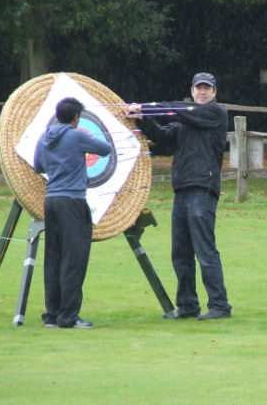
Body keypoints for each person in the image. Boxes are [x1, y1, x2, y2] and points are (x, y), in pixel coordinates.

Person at [123, 72, 232, 320]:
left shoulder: (215, 113)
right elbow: (163, 137)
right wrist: (142, 119)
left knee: (205, 250)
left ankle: (220, 305)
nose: (202, 92)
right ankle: (187, 306)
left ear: (214, 93)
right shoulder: (184, 119)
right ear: (192, 91)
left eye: (207, 89)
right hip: (182, 190)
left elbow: (177, 110)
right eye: (198, 88)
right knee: (180, 253)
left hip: (202, 189)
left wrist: (148, 108)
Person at [34, 97, 112, 328]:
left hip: (51, 201)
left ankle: (53, 314)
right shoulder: (76, 135)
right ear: (76, 117)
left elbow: (39, 165)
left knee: (54, 257)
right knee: (74, 259)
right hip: (73, 202)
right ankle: (68, 316)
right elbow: (105, 149)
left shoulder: (45, 136)